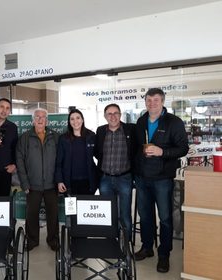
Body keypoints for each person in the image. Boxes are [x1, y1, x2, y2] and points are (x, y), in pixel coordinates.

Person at [134, 88, 188, 273]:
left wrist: (162, 152)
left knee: (165, 218)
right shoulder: (141, 121)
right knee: (146, 216)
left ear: (163, 101)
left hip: (163, 179)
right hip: (142, 178)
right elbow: (135, 146)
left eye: (156, 100)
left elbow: (183, 148)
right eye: (149, 100)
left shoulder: (174, 122)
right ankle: (147, 248)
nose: (152, 103)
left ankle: (164, 255)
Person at [16, 108, 59, 251]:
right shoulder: (25, 137)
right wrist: (24, 182)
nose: (40, 119)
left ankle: (53, 240)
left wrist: (59, 181)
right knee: (31, 213)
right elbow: (20, 161)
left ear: (47, 120)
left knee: (53, 214)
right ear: (32, 120)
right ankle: (32, 240)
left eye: (43, 117)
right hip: (32, 184)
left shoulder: (55, 136)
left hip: (52, 184)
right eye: (37, 117)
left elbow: (61, 160)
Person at [95, 104, 137, 238]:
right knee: (107, 213)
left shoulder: (130, 129)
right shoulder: (101, 131)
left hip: (124, 178)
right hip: (105, 179)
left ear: (120, 114)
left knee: (125, 213)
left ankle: (126, 245)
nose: (113, 117)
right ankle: (111, 241)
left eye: (115, 113)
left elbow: (135, 151)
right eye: (109, 114)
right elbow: (97, 152)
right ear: (105, 116)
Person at [55, 108, 98, 195]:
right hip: (70, 182)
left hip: (88, 181)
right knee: (73, 208)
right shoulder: (63, 139)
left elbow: (99, 156)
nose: (75, 121)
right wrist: (59, 181)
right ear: (69, 122)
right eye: (72, 119)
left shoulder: (91, 136)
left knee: (86, 208)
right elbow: (59, 162)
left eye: (78, 118)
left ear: (82, 120)